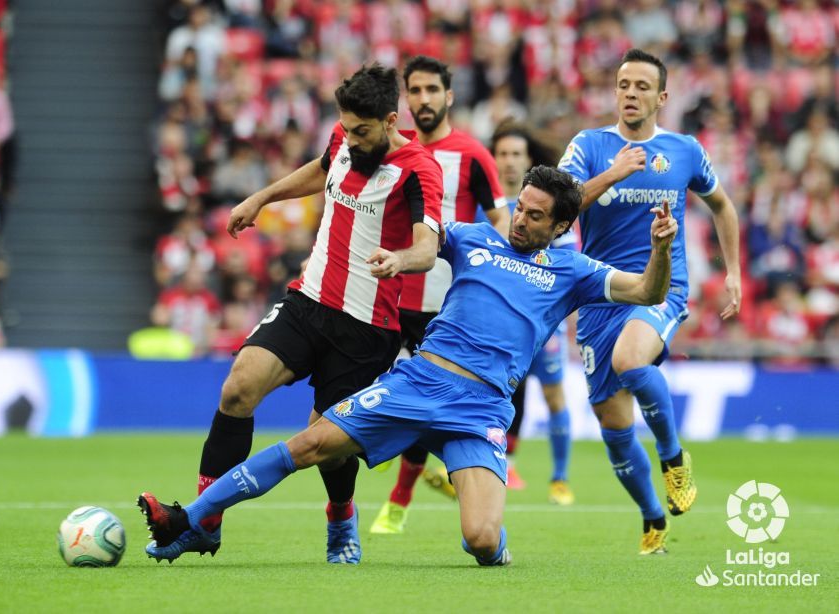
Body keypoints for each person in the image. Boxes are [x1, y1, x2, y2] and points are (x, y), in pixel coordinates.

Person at [138, 165, 678, 566]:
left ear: (560, 225)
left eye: (536, 216)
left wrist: (659, 250)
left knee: (482, 541)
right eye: (520, 207)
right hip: (419, 380)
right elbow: (425, 243)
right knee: (308, 445)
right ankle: (189, 523)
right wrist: (398, 259)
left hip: (481, 406)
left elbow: (647, 290)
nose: (520, 219)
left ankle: (496, 547)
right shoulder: (474, 237)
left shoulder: (573, 269)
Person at [139, 64, 444, 565]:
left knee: (328, 440)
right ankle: (205, 524)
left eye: (362, 131)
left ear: (391, 121)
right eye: (345, 128)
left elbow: (427, 248)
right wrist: (261, 196)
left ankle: (341, 516)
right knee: (239, 386)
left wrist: (399, 260)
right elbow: (322, 168)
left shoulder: (419, 170)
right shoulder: (345, 138)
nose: (351, 138)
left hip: (367, 327)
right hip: (309, 301)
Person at [557, 48, 742, 554]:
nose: (631, 93)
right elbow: (560, 207)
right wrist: (614, 174)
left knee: (630, 359)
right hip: (599, 295)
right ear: (614, 92)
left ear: (661, 97)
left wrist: (733, 272)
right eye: (623, 85)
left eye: (642, 86)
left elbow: (722, 205)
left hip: (661, 285)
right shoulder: (588, 146)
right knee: (613, 425)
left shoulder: (683, 150)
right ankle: (652, 516)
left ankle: (673, 456)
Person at [370, 55, 510, 535]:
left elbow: (504, 227)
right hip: (387, 296)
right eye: (416, 91)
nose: (424, 99)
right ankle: (402, 472)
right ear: (404, 98)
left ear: (449, 96)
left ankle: (399, 499)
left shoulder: (473, 155)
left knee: (419, 401)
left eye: (433, 90)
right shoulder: (392, 150)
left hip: (446, 309)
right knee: (370, 394)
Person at [483, 123, 577, 503]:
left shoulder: (549, 208)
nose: (507, 162)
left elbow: (568, 262)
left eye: (515, 155)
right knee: (497, 394)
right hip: (500, 325)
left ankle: (560, 479)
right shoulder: (485, 208)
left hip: (543, 325)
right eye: (501, 154)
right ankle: (498, 463)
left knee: (554, 397)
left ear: (527, 160)